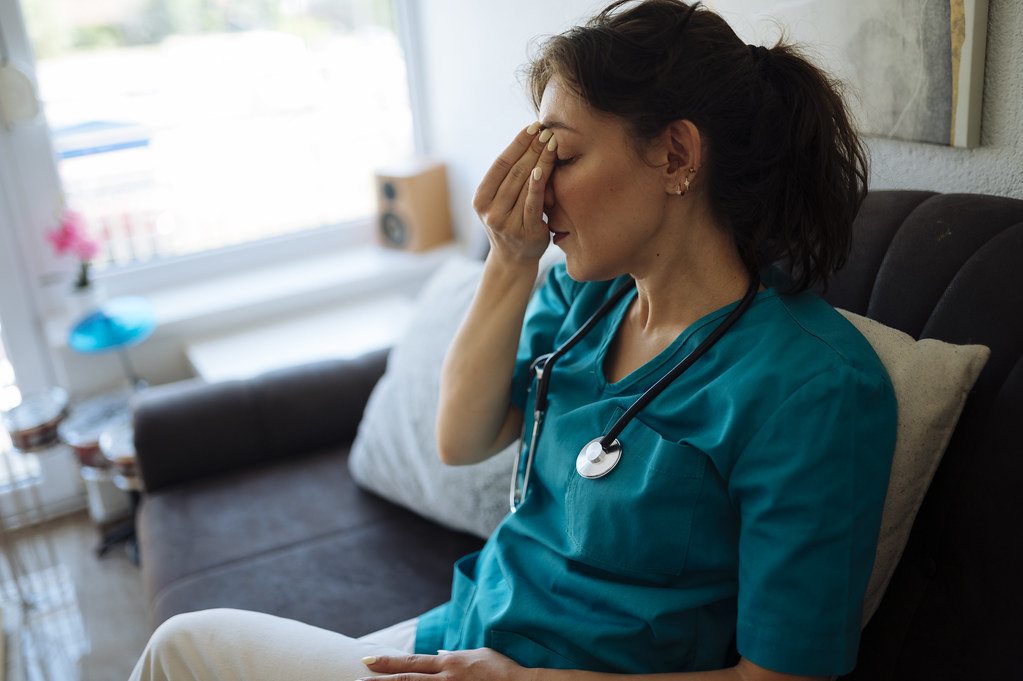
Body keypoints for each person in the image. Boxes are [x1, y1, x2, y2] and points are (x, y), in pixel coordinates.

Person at [129, 1, 897, 680]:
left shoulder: (813, 387)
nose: (537, 189)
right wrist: (510, 255)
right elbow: (460, 438)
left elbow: (781, 677)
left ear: (675, 156)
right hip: (464, 634)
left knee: (182, 649)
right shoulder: (586, 299)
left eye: (558, 156)